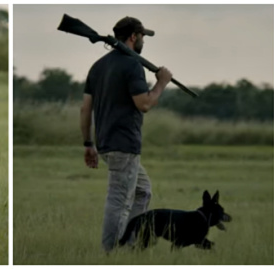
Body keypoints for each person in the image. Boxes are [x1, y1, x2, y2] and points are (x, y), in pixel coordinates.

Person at [80, 17, 173, 253]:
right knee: (119, 202)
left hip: (106, 145)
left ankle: (131, 243)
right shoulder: (132, 65)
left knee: (143, 191)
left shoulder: (98, 66)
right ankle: (110, 254)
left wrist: (88, 144)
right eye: (142, 36)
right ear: (133, 37)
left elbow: (85, 109)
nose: (143, 41)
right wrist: (162, 83)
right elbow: (144, 104)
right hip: (124, 145)